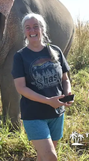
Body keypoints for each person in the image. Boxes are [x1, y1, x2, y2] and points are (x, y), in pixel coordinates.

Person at [11, 13, 74, 161]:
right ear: (24, 32)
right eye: (28, 28)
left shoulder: (56, 51)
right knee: (51, 157)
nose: (32, 30)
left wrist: (67, 92)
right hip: (34, 115)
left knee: (43, 157)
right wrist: (48, 100)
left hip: (57, 113)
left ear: (42, 29)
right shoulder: (20, 56)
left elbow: (65, 79)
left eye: (35, 26)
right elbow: (21, 88)